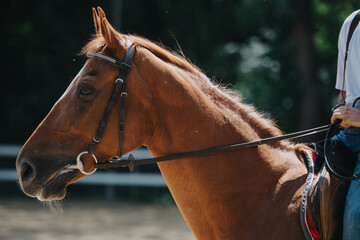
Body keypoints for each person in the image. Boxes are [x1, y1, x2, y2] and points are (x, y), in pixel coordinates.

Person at [331, 9, 360, 240]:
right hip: (347, 136)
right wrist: (339, 110)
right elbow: (344, 93)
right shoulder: (352, 23)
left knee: (356, 215)